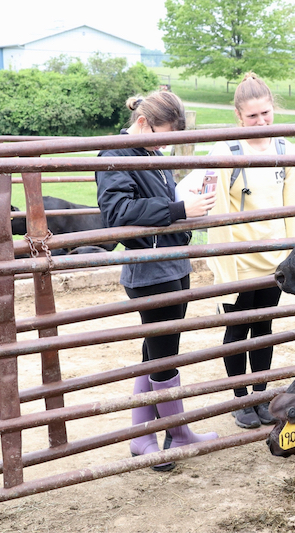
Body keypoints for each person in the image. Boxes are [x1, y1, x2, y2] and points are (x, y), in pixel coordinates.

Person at [96, 91, 218, 471]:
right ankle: (175, 432)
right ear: (145, 123)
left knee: (158, 350)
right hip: (148, 268)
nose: (167, 143)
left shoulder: (153, 153)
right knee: (164, 355)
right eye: (165, 134)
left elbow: (160, 203)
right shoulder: (114, 155)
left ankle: (142, 436)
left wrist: (187, 203)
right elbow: (117, 213)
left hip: (173, 263)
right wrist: (179, 208)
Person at [206, 73, 295, 429]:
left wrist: (293, 258)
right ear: (238, 116)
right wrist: (224, 265)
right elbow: (218, 212)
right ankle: (240, 399)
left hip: (272, 260)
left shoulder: (285, 150)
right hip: (238, 260)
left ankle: (261, 395)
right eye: (253, 117)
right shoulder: (225, 151)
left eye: (266, 114)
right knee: (237, 329)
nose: (262, 122)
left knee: (264, 327)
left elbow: (292, 205)